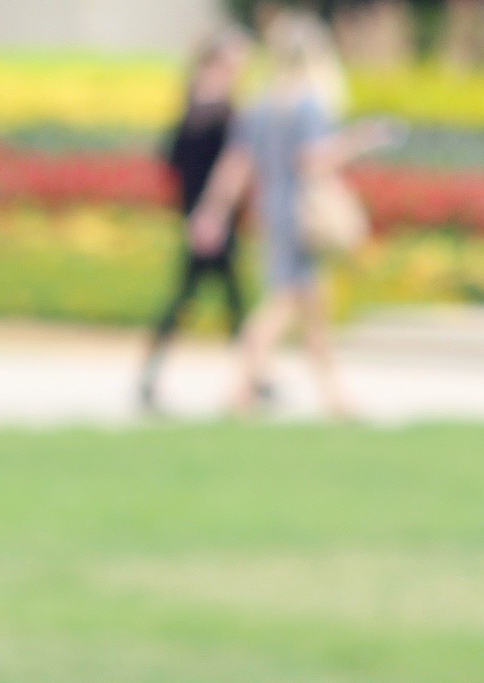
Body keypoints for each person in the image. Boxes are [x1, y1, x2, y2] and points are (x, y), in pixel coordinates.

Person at [187, 23, 400, 421]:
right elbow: (314, 161)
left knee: (312, 309)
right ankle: (241, 387)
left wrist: (213, 210)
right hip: (304, 215)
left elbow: (237, 165)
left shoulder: (260, 106)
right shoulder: (308, 106)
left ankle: (332, 397)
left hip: (275, 210)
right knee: (283, 304)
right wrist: (363, 139)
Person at [136, 30, 250, 416]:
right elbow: (232, 167)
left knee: (223, 300)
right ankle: (250, 378)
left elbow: (170, 163)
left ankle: (251, 377)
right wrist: (212, 212)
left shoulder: (190, 108)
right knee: (211, 300)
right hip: (214, 218)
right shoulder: (222, 113)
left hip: (196, 215)